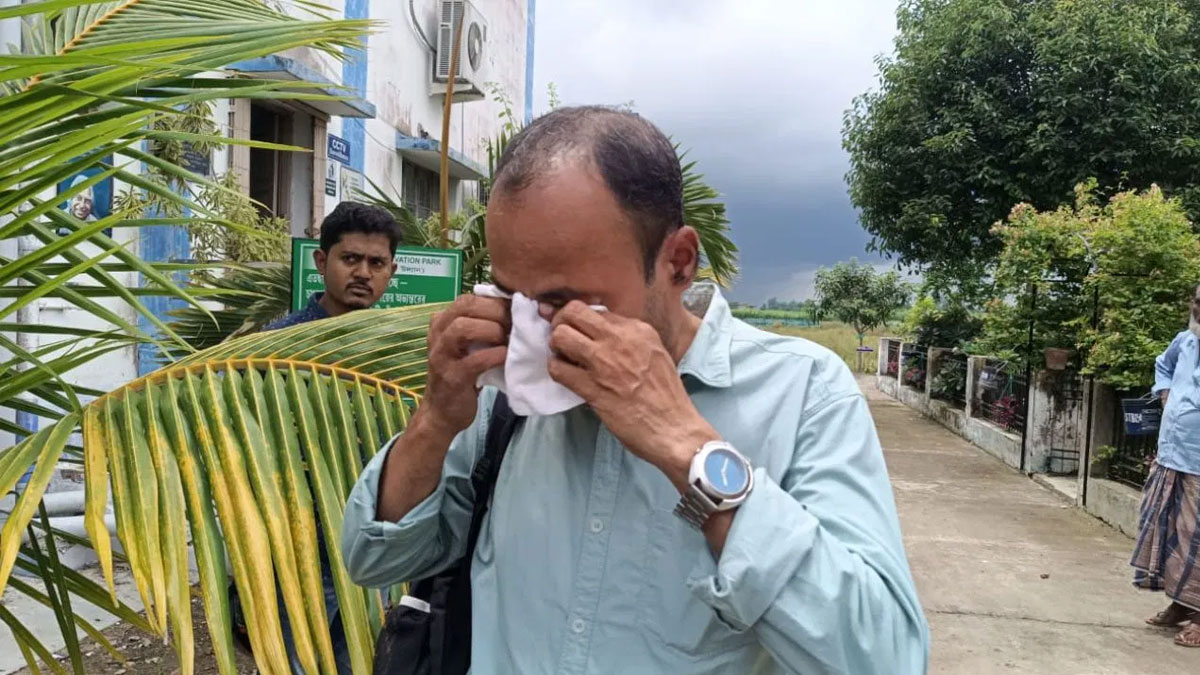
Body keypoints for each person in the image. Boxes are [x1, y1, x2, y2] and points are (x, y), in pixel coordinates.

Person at [341, 106, 929, 674]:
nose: (531, 328)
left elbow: (885, 658)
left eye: (566, 301)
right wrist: (436, 417)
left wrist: (685, 445)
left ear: (678, 262)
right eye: (510, 295)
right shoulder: (508, 393)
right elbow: (373, 558)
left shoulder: (803, 392)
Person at [230, 200, 400, 673]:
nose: (363, 273)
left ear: (391, 271)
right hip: (295, 562)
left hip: (372, 557)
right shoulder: (273, 351)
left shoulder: (396, 353)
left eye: (377, 263)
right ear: (322, 262)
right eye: (351, 259)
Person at [1132, 283, 1200, 648]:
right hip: (1172, 456)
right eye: (1198, 301)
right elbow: (1163, 364)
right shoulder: (1185, 341)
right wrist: (1165, 393)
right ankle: (1180, 604)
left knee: (1197, 540)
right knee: (1172, 533)